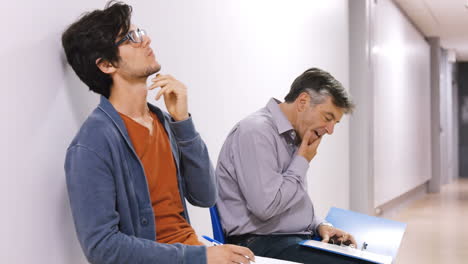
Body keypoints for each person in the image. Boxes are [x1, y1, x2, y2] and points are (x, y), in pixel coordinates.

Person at [62, 1, 254, 264]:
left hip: (196, 249)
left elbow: (206, 195)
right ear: (106, 64)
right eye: (131, 38)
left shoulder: (163, 120)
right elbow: (103, 248)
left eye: (141, 32)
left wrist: (183, 122)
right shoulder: (91, 144)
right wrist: (201, 257)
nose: (146, 39)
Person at [216, 68, 362, 264]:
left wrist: (320, 225)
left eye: (335, 122)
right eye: (328, 118)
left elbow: (290, 203)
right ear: (302, 102)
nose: (330, 130)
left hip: (288, 238)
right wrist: (302, 161)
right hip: (258, 243)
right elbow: (266, 207)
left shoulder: (294, 136)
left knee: (364, 254)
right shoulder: (256, 132)